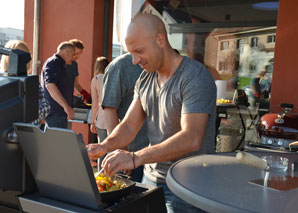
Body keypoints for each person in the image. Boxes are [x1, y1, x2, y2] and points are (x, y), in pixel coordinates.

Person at [87, 13, 216, 213]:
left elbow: (192, 137)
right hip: (151, 180)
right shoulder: (145, 79)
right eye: (131, 53)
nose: (134, 60)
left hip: (187, 186)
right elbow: (129, 125)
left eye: (139, 51)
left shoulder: (195, 76)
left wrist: (135, 157)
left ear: (160, 40)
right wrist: (104, 146)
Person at [101, 53, 149, 182]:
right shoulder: (120, 66)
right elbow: (109, 110)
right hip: (131, 153)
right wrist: (121, 150)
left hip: (158, 155)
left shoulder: (159, 65)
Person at [0, 40, 50, 127]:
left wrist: (26, 113)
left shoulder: (31, 83)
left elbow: (46, 108)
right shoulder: (2, 80)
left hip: (29, 136)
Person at [41, 41, 75, 128]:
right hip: (56, 113)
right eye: (73, 55)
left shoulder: (56, 63)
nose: (72, 60)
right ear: (67, 51)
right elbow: (50, 85)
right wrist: (66, 107)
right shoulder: (54, 62)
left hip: (57, 113)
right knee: (57, 141)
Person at [90, 56, 109, 169]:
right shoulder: (111, 77)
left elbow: (95, 103)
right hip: (114, 118)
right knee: (113, 147)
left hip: (101, 119)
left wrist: (92, 121)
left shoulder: (96, 79)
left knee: (101, 147)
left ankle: (101, 175)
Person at [66, 39, 91, 104]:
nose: (78, 56)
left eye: (80, 54)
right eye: (76, 53)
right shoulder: (59, 63)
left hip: (69, 99)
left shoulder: (74, 64)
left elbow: (76, 84)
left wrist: (86, 95)